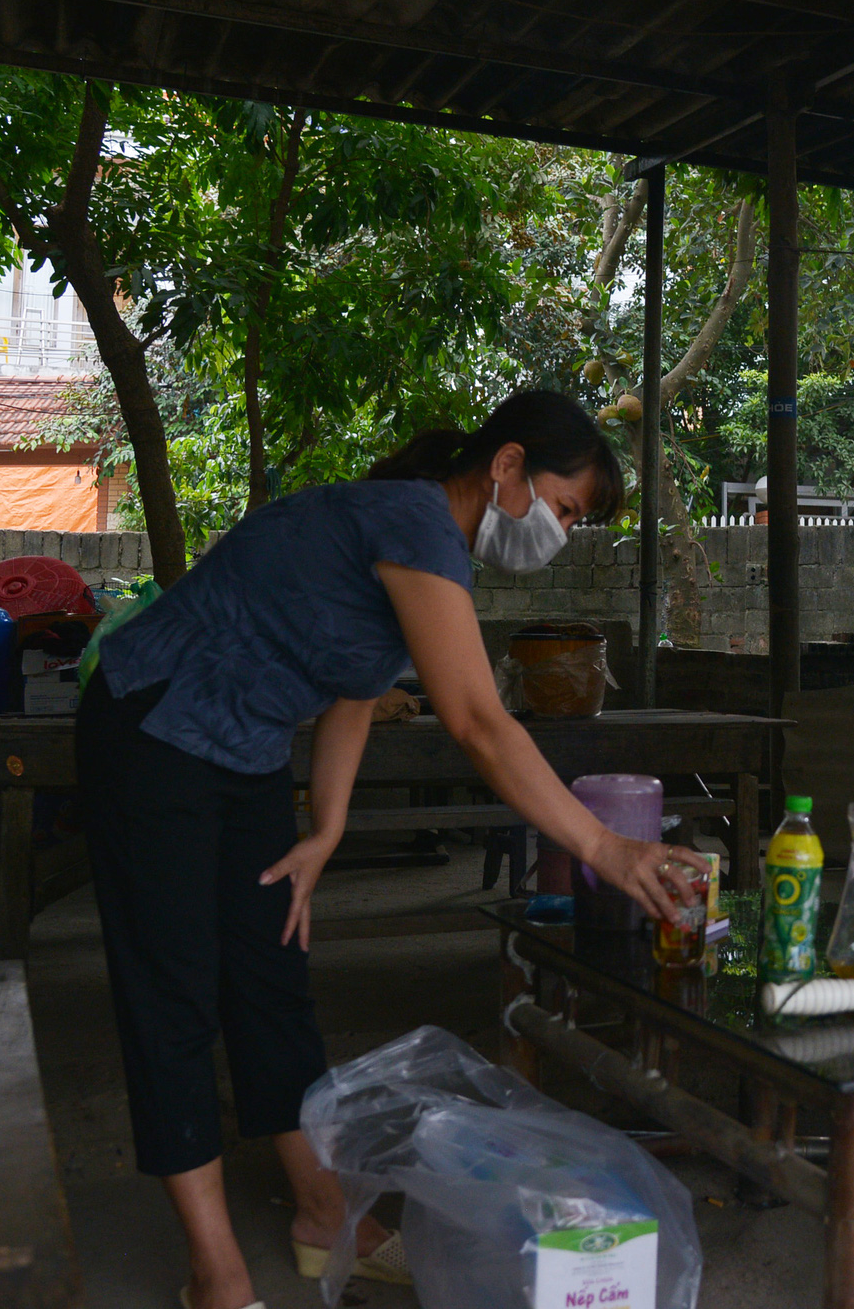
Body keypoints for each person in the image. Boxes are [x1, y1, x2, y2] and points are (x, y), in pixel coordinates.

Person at [77, 391, 703, 1309]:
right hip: (152, 727)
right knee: (172, 984)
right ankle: (215, 1272)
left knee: (271, 970)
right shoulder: (411, 520)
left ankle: (324, 1212)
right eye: (564, 509)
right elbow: (479, 723)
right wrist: (603, 846)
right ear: (508, 466)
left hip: (244, 749)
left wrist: (324, 829)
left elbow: (353, 695)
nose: (561, 534)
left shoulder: (433, 547)